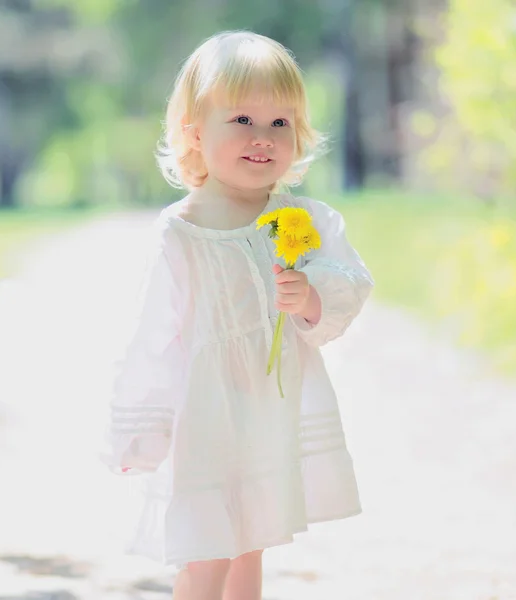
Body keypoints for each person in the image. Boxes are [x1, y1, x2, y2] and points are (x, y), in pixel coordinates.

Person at [99, 30, 375, 600]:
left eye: (280, 124)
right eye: (243, 120)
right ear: (196, 133)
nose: (263, 138)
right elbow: (154, 337)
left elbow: (349, 283)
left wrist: (310, 297)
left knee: (252, 540)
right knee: (208, 551)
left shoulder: (302, 220)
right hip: (209, 417)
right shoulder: (181, 234)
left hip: (268, 412)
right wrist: (143, 427)